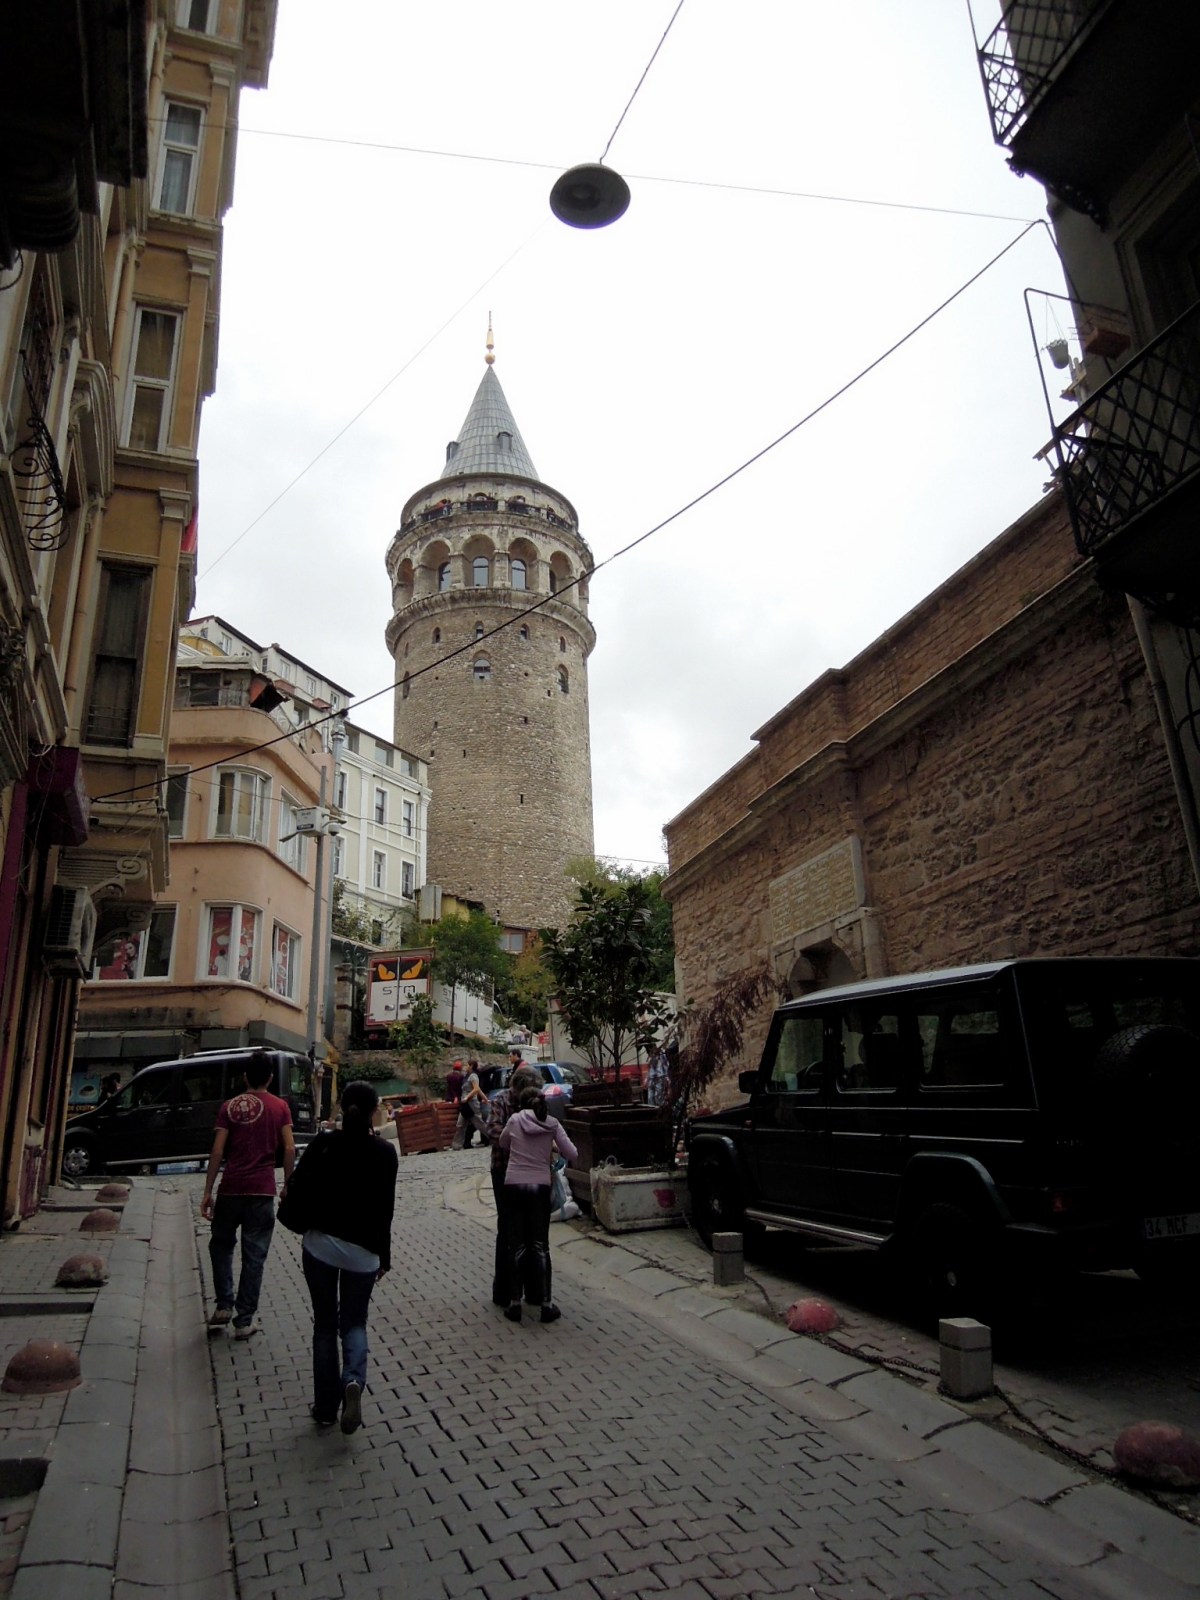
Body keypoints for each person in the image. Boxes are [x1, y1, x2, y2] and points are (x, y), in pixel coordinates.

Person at [295, 1081, 398, 1434]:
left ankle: (325, 1406)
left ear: (341, 1108)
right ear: (374, 1112)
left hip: (320, 1245)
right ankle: (353, 1380)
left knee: (324, 1325)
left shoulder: (323, 1145)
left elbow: (297, 1186)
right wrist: (384, 1256)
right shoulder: (385, 1154)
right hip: (363, 1253)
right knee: (354, 1322)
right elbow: (386, 1210)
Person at [201, 1051, 295, 1340]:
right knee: (254, 1256)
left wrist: (208, 1191)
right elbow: (290, 1148)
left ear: (245, 1077)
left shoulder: (228, 1108)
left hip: (231, 1188)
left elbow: (217, 1151)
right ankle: (244, 1320)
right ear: (270, 1077)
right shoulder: (280, 1107)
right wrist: (287, 1184)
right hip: (261, 1190)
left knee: (221, 1246)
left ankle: (223, 1305)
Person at [498, 1085, 578, 1324]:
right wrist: (551, 1146)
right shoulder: (552, 1123)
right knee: (540, 1246)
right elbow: (572, 1153)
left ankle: (514, 1305)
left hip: (513, 1186)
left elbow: (503, 1143)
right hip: (539, 1188)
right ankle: (546, 1305)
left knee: (517, 1245)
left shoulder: (514, 1120)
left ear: (521, 1103)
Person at [484, 1064, 543, 1306]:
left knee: (533, 1231)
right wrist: (523, 1142)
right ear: (516, 1089)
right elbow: (493, 1130)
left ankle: (534, 1290)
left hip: (532, 1174)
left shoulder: (536, 1100)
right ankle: (505, 1291)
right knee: (508, 1230)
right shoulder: (501, 1101)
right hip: (504, 1171)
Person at [455, 1059, 486, 1149]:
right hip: (465, 1104)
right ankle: (456, 1145)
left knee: (479, 1124)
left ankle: (494, 1138)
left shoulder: (473, 1076)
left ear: (471, 1066)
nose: (465, 1067)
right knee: (460, 1124)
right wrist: (485, 1099)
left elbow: (476, 1089)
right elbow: (478, 1089)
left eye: (467, 1065)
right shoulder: (466, 1076)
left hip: (472, 1103)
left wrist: (467, 1097)